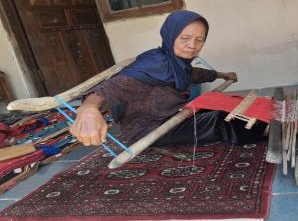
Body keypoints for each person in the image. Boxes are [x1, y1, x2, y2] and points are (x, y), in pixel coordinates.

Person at [70, 10, 266, 147]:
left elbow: (195, 74)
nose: (192, 45)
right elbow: (112, 87)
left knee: (224, 104)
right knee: (218, 121)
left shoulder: (178, 63)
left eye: (199, 40)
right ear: (170, 36)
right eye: (185, 38)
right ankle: (269, 130)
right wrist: (89, 108)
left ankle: (265, 119)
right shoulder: (153, 65)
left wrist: (222, 75)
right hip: (148, 129)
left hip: (172, 115)